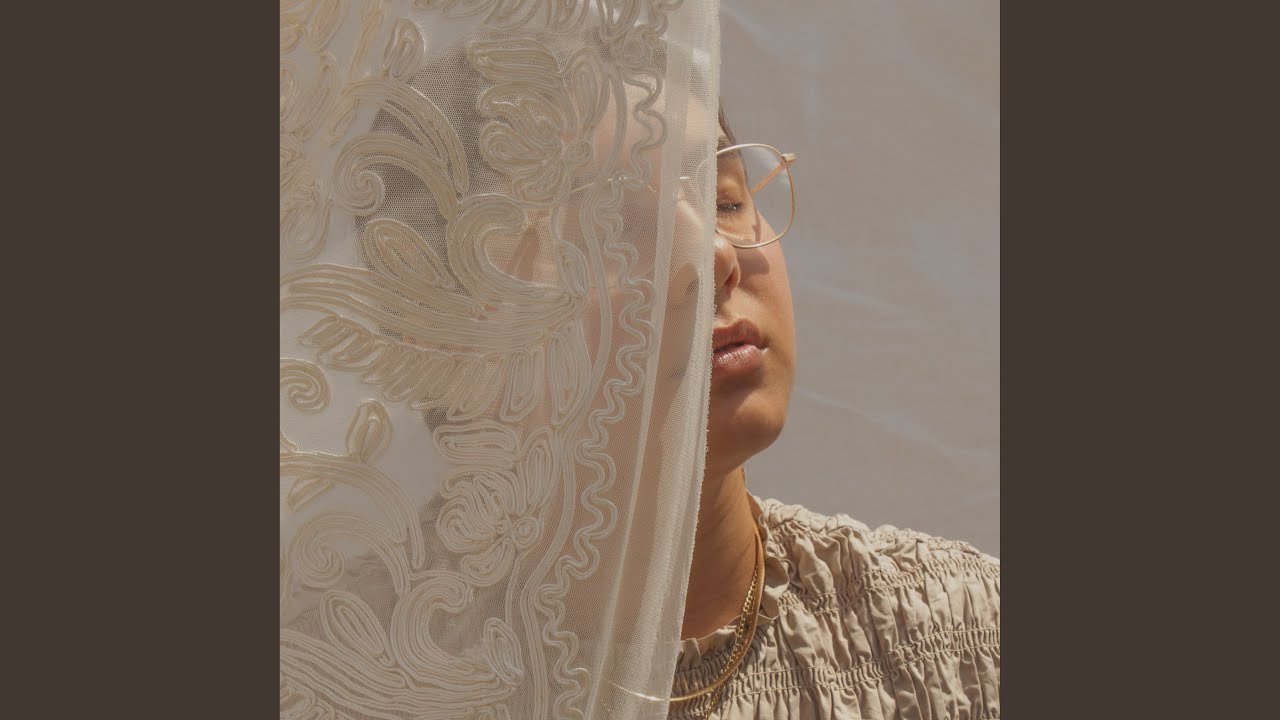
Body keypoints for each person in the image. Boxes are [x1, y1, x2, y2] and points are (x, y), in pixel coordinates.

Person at [665, 111, 1000, 719]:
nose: (716, 255)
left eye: (724, 199)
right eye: (620, 232)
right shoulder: (469, 680)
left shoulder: (963, 640)